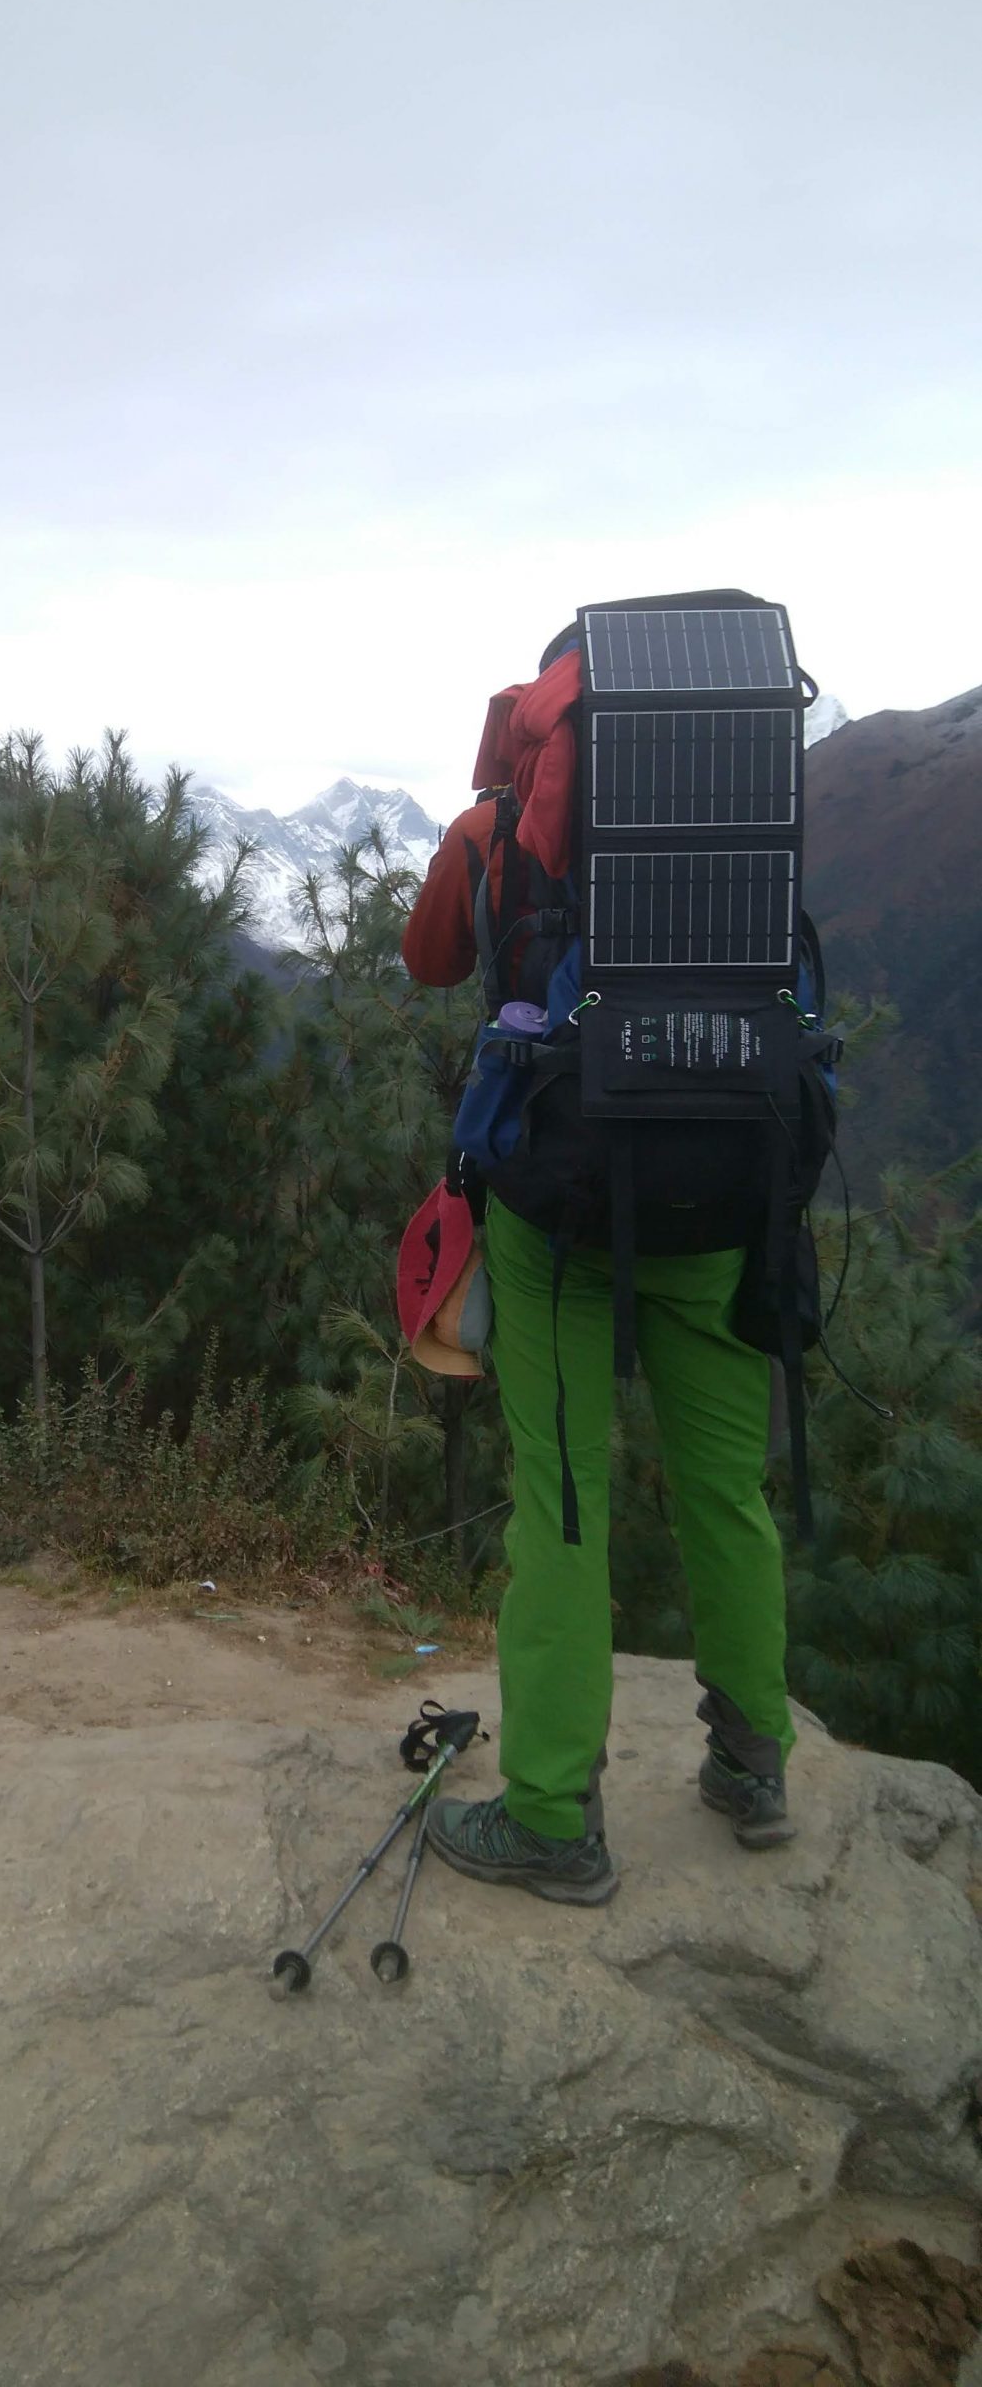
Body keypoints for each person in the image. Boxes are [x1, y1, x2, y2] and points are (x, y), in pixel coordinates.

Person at [399, 621, 798, 1908]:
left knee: (563, 1502)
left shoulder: (500, 830)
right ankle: (752, 1765)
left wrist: (486, 831)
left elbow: (427, 957)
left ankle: (554, 1822)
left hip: (563, 1216)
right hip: (728, 1197)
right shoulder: (739, 826)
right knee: (726, 1492)